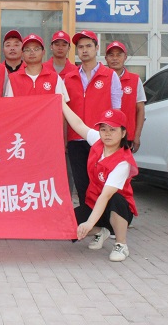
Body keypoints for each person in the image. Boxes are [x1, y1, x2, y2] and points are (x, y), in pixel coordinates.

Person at [62, 103, 138, 262]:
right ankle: (100, 231)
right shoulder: (98, 141)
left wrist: (89, 223)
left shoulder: (123, 162)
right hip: (94, 205)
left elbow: (105, 196)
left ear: (123, 133)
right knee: (66, 227)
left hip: (117, 210)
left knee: (115, 199)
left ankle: (121, 244)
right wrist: (61, 102)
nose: (107, 134)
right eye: (103, 129)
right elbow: (78, 124)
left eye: (113, 130)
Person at [64, 30, 122, 207]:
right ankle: (88, 217)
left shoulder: (110, 76)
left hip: (101, 139)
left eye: (88, 46)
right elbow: (64, 112)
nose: (84, 50)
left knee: (102, 183)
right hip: (76, 140)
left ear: (97, 48)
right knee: (82, 184)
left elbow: (116, 110)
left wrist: (115, 139)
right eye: (80, 47)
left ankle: (105, 218)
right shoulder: (69, 78)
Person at [104, 41, 146, 153]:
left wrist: (137, 136)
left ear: (125, 57)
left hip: (127, 136)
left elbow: (140, 110)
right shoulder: (100, 79)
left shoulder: (135, 80)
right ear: (106, 58)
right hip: (104, 135)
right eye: (111, 55)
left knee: (123, 164)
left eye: (119, 55)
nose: (115, 58)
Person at [5, 33, 68, 101]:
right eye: (27, 49)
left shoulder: (55, 78)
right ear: (22, 53)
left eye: (36, 49)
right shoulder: (13, 79)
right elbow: (9, 104)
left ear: (43, 52)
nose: (32, 52)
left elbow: (61, 104)